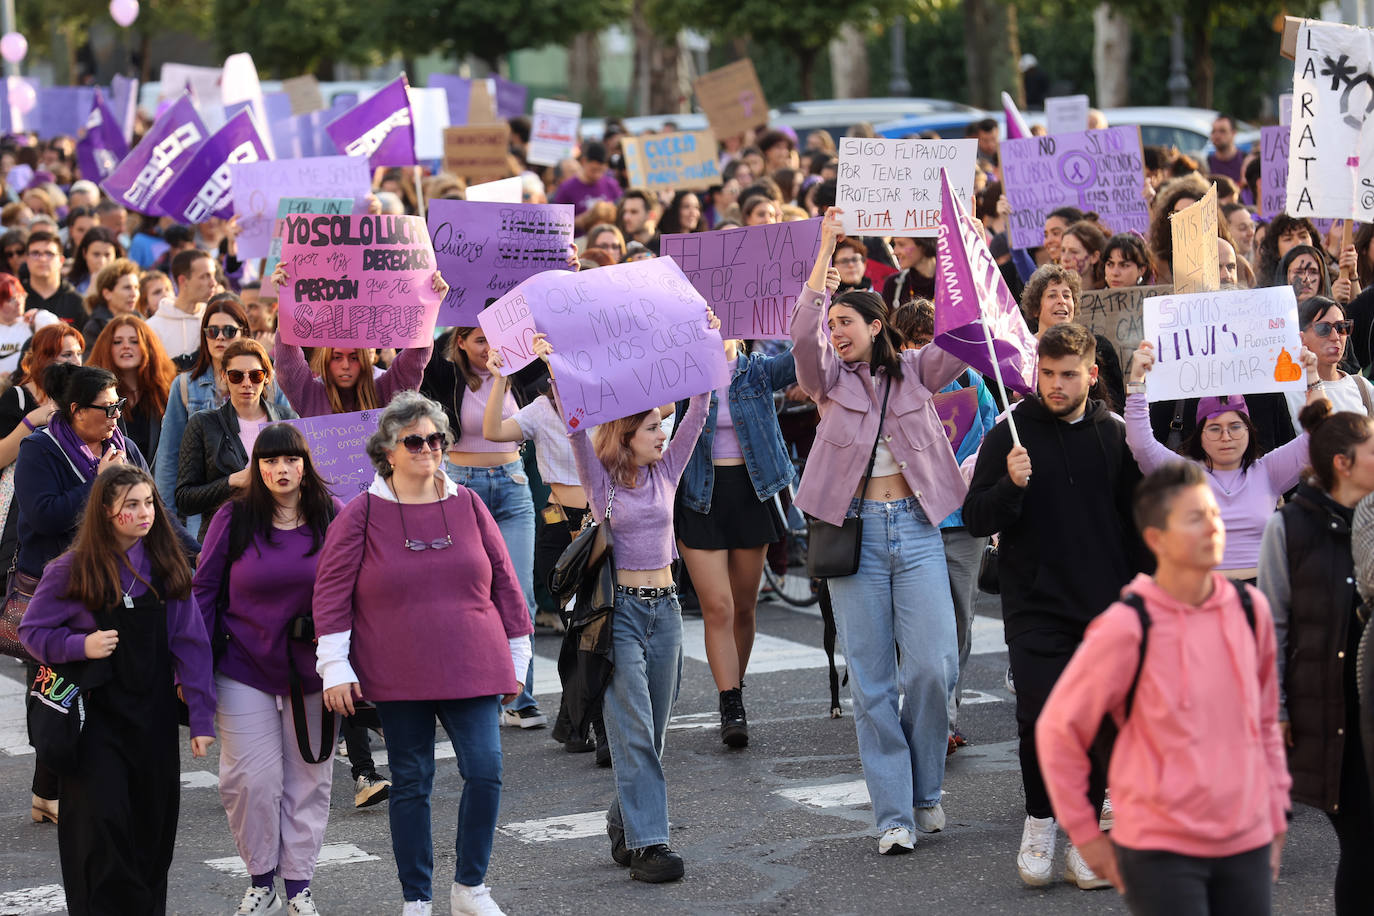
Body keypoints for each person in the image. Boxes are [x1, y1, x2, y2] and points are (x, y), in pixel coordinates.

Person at [313, 392, 531, 916]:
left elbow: (505, 581)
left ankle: (469, 889)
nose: (428, 448)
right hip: (397, 669)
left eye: (436, 439)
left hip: (474, 663)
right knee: (411, 782)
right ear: (387, 451)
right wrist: (334, 666)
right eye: (414, 440)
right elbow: (331, 592)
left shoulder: (469, 503)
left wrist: (518, 652)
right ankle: (416, 899)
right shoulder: (360, 513)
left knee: (485, 770)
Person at [1038, 462, 1290, 913]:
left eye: (1213, 514)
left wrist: (1275, 814)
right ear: (1156, 540)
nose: (1214, 527)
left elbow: (1266, 722)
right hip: (1160, 847)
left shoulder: (1252, 611)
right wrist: (1086, 835)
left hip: (1246, 837)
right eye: (1195, 518)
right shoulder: (1127, 626)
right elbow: (1058, 729)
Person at [792, 208, 965, 855]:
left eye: (845, 322)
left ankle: (925, 793)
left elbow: (962, 326)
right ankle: (894, 814)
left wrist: (951, 247)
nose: (835, 332)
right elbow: (801, 338)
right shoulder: (826, 382)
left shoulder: (918, 371)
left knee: (930, 669)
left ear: (876, 325)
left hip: (918, 534)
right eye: (831, 322)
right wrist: (825, 252)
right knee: (871, 683)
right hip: (856, 539)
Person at [964, 323, 1144, 890]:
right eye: (1048, 374)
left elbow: (1138, 528)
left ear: (1092, 374)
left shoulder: (1115, 436)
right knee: (1040, 720)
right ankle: (1040, 824)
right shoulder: (1009, 433)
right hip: (1035, 606)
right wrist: (1009, 487)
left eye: (1070, 374)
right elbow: (974, 519)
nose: (1057, 385)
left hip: (1104, 608)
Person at [544, 308, 716, 882]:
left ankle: (624, 821)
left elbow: (698, 413)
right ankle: (649, 844)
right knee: (635, 731)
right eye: (650, 429)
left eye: (660, 429)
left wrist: (712, 347)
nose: (661, 435)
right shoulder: (600, 479)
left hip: (666, 611)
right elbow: (573, 424)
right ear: (626, 435)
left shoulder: (667, 471)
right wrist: (554, 365)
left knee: (655, 732)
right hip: (617, 614)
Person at [19, 465, 215, 916]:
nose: (144, 512)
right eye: (131, 504)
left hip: (154, 720)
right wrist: (78, 644)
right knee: (101, 836)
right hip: (94, 724)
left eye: (149, 502)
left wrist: (202, 718)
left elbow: (192, 645)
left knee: (152, 833)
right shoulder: (70, 568)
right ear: (106, 511)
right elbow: (32, 632)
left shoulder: (167, 567)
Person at [194, 424, 340, 916]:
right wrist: (192, 671)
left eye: (291, 460)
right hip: (244, 665)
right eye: (270, 461)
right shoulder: (234, 517)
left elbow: (357, 586)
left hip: (315, 672)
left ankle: (298, 884)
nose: (281, 470)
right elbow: (203, 591)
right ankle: (261, 880)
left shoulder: (330, 515)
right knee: (250, 781)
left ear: (305, 464)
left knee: (310, 780)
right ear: (256, 467)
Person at [1259, 402, 1374, 913]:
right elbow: (1273, 629)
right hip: (1334, 715)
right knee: (1363, 840)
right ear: (1344, 464)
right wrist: (1278, 709)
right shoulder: (1289, 530)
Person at [673, 334, 796, 748]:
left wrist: (820, 296)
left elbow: (806, 357)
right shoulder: (681, 370)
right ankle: (730, 704)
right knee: (718, 606)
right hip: (697, 494)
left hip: (751, 491)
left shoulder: (757, 369)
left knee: (744, 604)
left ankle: (735, 688)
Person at [421, 327, 545, 729]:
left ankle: (520, 697)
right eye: (479, 341)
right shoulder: (442, 372)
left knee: (520, 593)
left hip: (512, 488)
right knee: (469, 596)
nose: (489, 349)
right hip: (461, 489)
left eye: (494, 339)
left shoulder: (519, 371)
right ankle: (472, 693)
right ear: (459, 341)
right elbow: (413, 365)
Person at [890, 299, 999, 751]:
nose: (924, 351)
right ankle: (915, 709)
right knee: (911, 623)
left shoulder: (977, 386)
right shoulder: (894, 389)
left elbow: (992, 445)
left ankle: (947, 718)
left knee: (958, 619)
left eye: (932, 341)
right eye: (914, 343)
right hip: (913, 519)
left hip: (962, 523)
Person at [1126, 341, 1320, 580]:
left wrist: (1312, 377)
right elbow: (1141, 444)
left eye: (1236, 427)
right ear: (1200, 436)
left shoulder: (1268, 471)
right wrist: (1137, 381)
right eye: (1215, 428)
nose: (1226, 436)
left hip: (1262, 596)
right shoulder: (1185, 476)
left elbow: (1319, 436)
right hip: (1202, 599)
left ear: (1249, 431)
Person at [154, 298, 291, 521]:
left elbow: (292, 445)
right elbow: (169, 455)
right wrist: (168, 521)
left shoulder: (272, 385)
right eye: (212, 331)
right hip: (204, 509)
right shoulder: (184, 386)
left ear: (243, 332)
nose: (219, 337)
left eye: (228, 330)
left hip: (270, 507)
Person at [176, 338, 297, 540]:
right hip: (226, 540)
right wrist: (234, 481)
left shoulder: (288, 420)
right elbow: (184, 499)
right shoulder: (203, 424)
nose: (247, 383)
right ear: (224, 377)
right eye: (236, 376)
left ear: (267, 377)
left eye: (256, 375)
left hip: (281, 535)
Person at [1019, 263, 1126, 412]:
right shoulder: (1021, 352)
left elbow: (1117, 405)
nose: (1061, 301)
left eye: (1066, 295)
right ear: (1036, 307)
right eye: (1052, 295)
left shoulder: (1099, 347)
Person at [85, 315, 176, 463]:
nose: (126, 346)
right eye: (117, 342)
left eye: (134, 341)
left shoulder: (166, 393)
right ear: (106, 348)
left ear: (149, 347)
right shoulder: (93, 397)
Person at [1286, 297, 1373, 432]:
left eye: (1341, 327)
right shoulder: (1287, 393)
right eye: (1323, 328)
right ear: (1301, 337)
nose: (1335, 336)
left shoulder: (1362, 387)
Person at [147, 248, 217, 367]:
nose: (213, 283)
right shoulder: (152, 328)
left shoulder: (215, 322)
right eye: (204, 276)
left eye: (213, 275)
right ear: (183, 280)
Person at [0, 272, 57, 378]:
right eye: (11, 299)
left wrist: (40, 313)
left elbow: (59, 333)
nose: (19, 302)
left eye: (21, 296)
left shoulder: (32, 323)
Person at [552, 141, 622, 225]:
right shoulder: (567, 188)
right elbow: (556, 223)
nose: (597, 175)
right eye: (593, 170)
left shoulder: (611, 185)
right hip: (579, 236)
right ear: (584, 161)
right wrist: (583, 220)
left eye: (601, 170)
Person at [22, 229, 83, 325]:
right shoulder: (15, 298)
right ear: (26, 259)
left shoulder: (77, 302)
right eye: (35, 253)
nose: (42, 259)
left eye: (49, 253)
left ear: (61, 260)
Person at [81, 258, 140, 344]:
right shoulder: (95, 328)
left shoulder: (143, 322)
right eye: (127, 288)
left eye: (136, 287)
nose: (134, 294)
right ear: (107, 294)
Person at [881, 237, 936, 307]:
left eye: (901, 244)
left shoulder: (951, 282)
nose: (895, 252)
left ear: (924, 244)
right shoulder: (893, 284)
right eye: (895, 244)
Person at [67, 227, 122, 295]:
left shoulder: (126, 283)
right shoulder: (70, 285)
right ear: (84, 254)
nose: (102, 261)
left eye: (107, 255)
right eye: (96, 254)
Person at [1060, 222, 1107, 291]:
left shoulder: (1110, 292)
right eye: (1063, 250)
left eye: (1074, 252)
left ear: (1094, 257)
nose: (1065, 258)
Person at [1206, 115, 1246, 184]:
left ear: (1234, 133)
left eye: (1222, 131)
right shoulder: (1207, 164)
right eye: (1213, 131)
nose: (1217, 135)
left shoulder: (1246, 162)